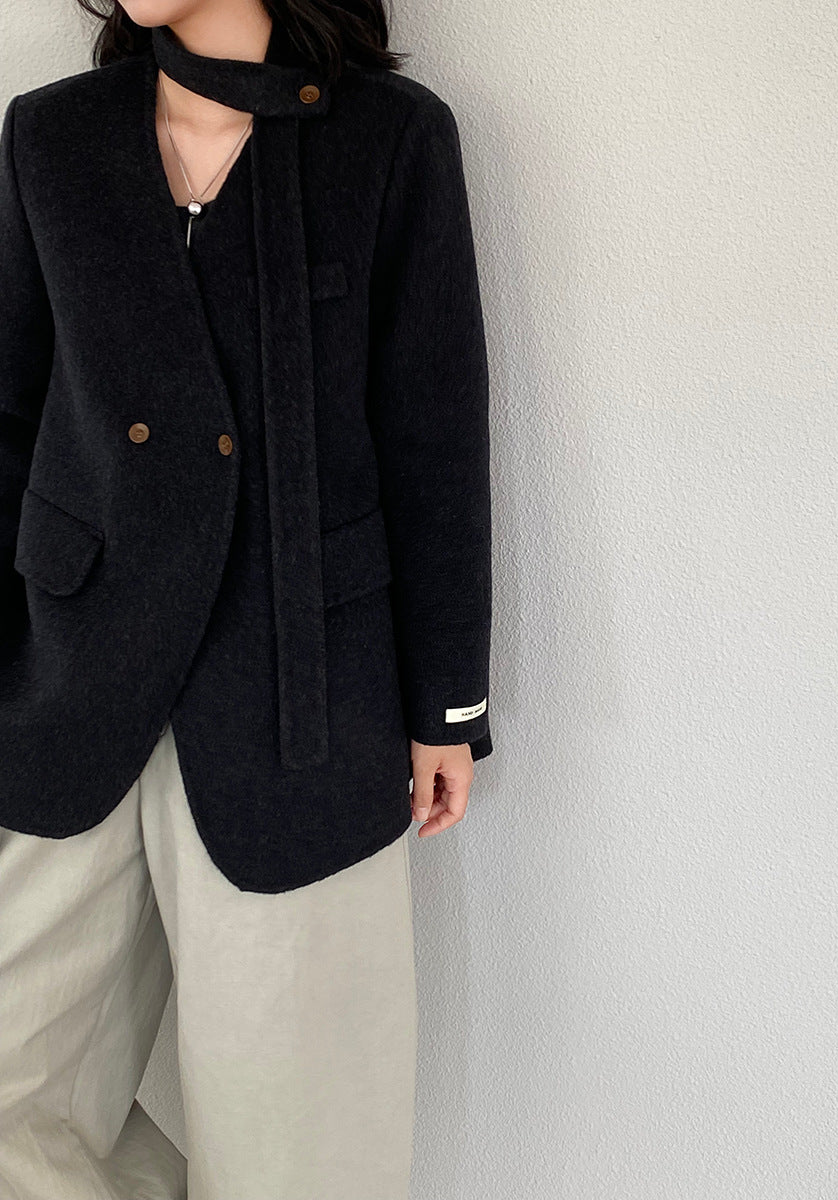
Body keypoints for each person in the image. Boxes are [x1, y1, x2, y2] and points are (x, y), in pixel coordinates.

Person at [0, 1, 493, 1197]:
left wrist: (449, 704)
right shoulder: (52, 136)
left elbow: (432, 432)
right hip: (69, 684)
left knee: (299, 1149)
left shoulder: (392, 138)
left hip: (300, 696)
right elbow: (12, 410)